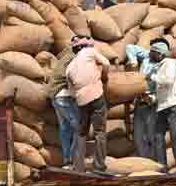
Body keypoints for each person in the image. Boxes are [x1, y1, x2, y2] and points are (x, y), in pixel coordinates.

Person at [64, 36, 111, 173]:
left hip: (81, 101)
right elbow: (106, 63)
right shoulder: (89, 51)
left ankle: (78, 167)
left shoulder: (69, 67)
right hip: (96, 96)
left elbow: (71, 92)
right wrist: (104, 76)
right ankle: (99, 166)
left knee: (81, 133)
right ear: (84, 46)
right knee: (99, 132)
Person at [144, 40, 176, 172]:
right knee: (158, 137)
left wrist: (152, 77)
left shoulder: (170, 63)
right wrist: (151, 98)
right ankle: (162, 167)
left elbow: (167, 81)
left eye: (152, 52)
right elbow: (162, 91)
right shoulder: (160, 66)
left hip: (174, 106)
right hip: (162, 107)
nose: (150, 55)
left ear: (159, 53)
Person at [122, 42, 158, 160]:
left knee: (151, 136)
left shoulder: (164, 65)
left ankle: (154, 164)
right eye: (151, 50)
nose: (151, 52)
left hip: (152, 104)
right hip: (139, 103)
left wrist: (153, 98)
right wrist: (134, 61)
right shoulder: (147, 56)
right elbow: (129, 47)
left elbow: (166, 88)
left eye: (155, 51)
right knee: (138, 137)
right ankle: (143, 162)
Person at [46, 46, 78, 167]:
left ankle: (67, 161)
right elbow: (71, 76)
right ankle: (73, 159)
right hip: (64, 97)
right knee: (79, 128)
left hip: (56, 96)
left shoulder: (63, 58)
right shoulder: (73, 58)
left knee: (65, 129)